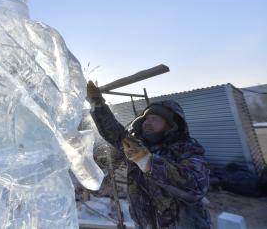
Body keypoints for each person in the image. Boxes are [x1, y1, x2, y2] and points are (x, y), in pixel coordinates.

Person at [86, 81, 211, 229]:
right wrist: (97, 103)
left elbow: (195, 185)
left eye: (155, 119)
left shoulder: (188, 149)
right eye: (146, 118)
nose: (147, 122)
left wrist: (147, 161)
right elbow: (116, 133)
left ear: (171, 126)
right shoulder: (139, 146)